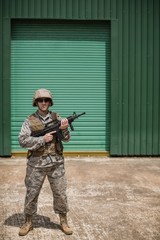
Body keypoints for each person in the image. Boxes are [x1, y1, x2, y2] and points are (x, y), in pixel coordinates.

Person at [18, 88, 73, 236]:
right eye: (40, 100)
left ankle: (63, 220)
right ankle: (28, 222)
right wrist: (42, 139)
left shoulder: (57, 118)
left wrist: (65, 129)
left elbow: (66, 139)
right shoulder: (29, 120)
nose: (43, 103)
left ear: (50, 102)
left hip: (56, 163)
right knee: (32, 193)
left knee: (60, 193)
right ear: (36, 102)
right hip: (36, 164)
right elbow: (22, 141)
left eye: (46, 100)